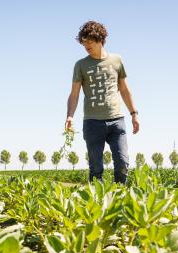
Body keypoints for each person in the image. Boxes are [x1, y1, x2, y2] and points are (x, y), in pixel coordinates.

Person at [65, 21, 140, 184]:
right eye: (84, 43)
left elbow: (125, 90)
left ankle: (119, 200)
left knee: (122, 163)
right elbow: (74, 94)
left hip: (116, 120)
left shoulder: (116, 60)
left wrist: (134, 113)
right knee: (96, 168)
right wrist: (70, 116)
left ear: (100, 39)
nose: (86, 46)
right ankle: (97, 205)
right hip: (92, 122)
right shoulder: (81, 65)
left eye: (89, 42)